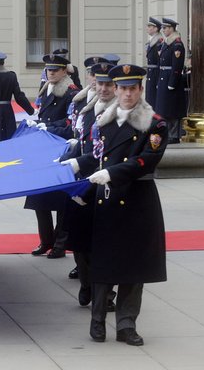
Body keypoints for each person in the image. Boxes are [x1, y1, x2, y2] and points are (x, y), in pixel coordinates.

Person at [63, 64, 167, 346]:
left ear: (140, 90)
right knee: (104, 264)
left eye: (133, 89)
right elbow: (97, 158)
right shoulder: (104, 121)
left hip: (137, 200)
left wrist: (111, 173)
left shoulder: (154, 123)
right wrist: (76, 164)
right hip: (107, 199)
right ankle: (98, 320)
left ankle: (126, 325)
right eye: (122, 88)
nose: (127, 94)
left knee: (134, 268)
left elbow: (146, 160)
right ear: (116, 90)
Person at [61, 61, 117, 309]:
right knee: (81, 240)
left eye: (107, 83)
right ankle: (86, 283)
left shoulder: (120, 112)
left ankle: (106, 293)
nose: (101, 87)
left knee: (106, 241)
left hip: (105, 181)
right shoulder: (84, 105)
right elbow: (77, 137)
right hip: (82, 181)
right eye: (98, 80)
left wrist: (79, 161)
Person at [25, 54, 79, 259]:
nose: (51, 73)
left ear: (65, 71)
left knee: (62, 200)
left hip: (61, 149)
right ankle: (45, 240)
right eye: (49, 70)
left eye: (56, 70)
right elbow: (41, 114)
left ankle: (60, 243)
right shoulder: (46, 88)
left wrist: (48, 127)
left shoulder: (71, 92)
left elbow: (71, 122)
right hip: (44, 149)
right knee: (41, 197)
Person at [155, 18, 186, 143]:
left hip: (171, 80)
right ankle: (167, 133)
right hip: (164, 78)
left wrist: (172, 82)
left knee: (172, 109)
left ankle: (173, 135)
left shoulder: (177, 44)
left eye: (166, 28)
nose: (163, 30)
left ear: (172, 28)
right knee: (164, 109)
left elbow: (177, 65)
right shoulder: (166, 43)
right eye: (163, 28)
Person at [144, 17, 162, 107]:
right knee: (149, 98)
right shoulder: (151, 41)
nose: (147, 28)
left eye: (150, 26)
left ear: (156, 28)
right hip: (151, 73)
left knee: (153, 99)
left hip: (155, 74)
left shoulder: (159, 41)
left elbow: (160, 61)